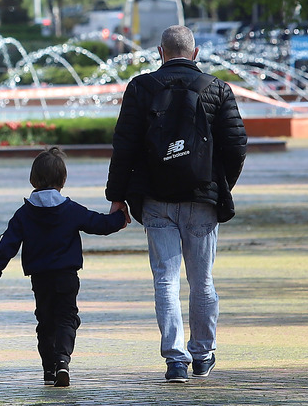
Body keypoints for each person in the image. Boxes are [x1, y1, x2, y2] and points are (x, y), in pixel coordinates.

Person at [105, 24, 247, 383]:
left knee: (165, 281)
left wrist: (117, 197)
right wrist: (220, 186)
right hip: (203, 198)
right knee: (203, 281)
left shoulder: (140, 88)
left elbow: (124, 146)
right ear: (195, 53)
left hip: (155, 200)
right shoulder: (217, 89)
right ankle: (203, 354)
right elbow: (236, 145)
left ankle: (175, 360)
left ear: (160, 52)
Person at [0, 146, 129, 387]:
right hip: (66, 276)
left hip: (40, 278)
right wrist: (120, 216)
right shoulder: (70, 210)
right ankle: (63, 361)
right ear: (63, 180)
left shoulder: (23, 214)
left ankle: (49, 369)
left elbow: (7, 245)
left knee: (45, 322)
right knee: (67, 318)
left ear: (33, 179)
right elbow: (99, 224)